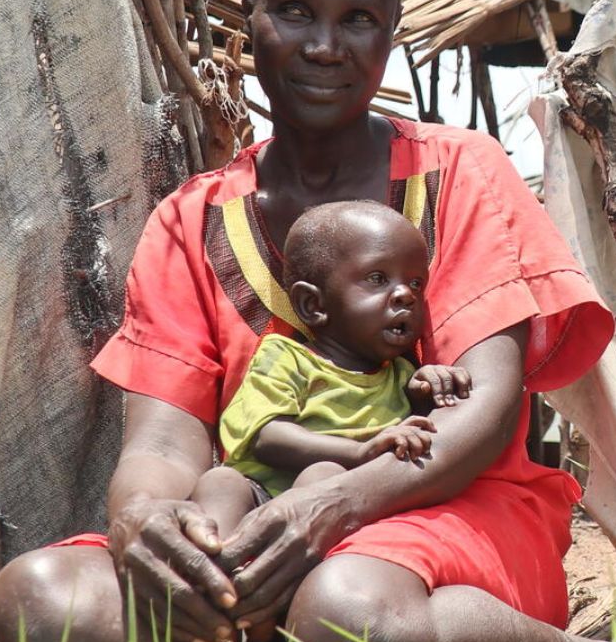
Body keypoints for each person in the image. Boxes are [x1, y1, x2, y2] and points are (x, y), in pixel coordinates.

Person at [0, 0, 616, 642]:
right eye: (295, 11)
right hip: (267, 530)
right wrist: (145, 525)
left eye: (357, 21)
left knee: (348, 611)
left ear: (392, 29)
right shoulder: (191, 220)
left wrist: (332, 505)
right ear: (250, 17)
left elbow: (483, 410)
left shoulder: (460, 173)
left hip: (453, 513)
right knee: (35, 599)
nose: (323, 46)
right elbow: (162, 440)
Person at [191, 201, 470, 533]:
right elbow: (268, 437)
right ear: (314, 305)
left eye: (415, 284)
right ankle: (213, 561)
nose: (405, 296)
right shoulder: (286, 358)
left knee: (323, 475)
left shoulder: (400, 377)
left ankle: (277, 573)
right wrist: (359, 452)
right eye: (378, 278)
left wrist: (432, 387)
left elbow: (422, 430)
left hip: (330, 511)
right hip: (258, 498)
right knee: (220, 481)